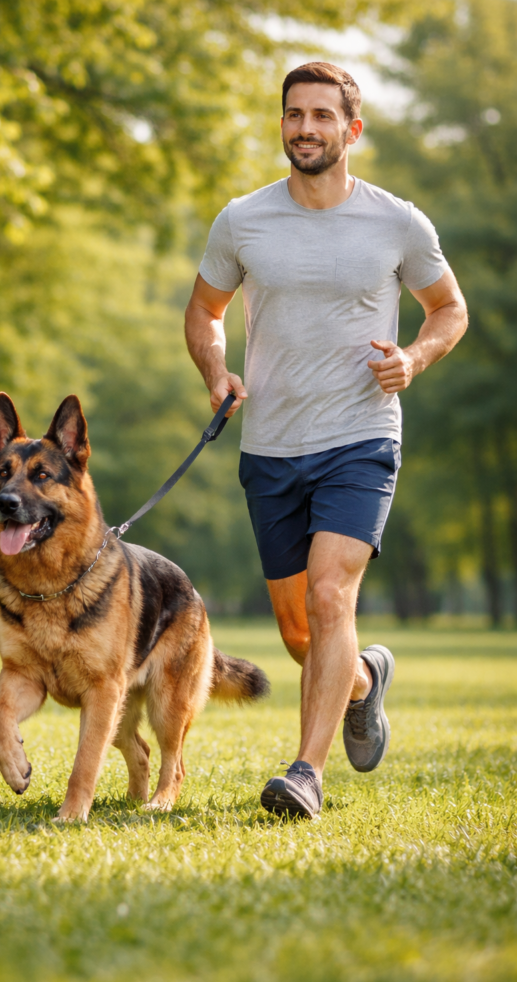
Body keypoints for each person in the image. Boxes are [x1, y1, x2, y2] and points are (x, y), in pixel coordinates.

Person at [184, 62, 468, 819]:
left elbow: (448, 310)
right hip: (271, 443)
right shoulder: (241, 220)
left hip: (359, 437)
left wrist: (412, 357)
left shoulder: (396, 222)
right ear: (281, 124)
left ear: (351, 129)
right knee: (300, 633)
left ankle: (304, 773)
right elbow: (205, 312)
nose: (304, 128)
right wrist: (216, 372)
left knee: (330, 592)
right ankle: (365, 680)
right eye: (292, 115)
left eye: (319, 116)